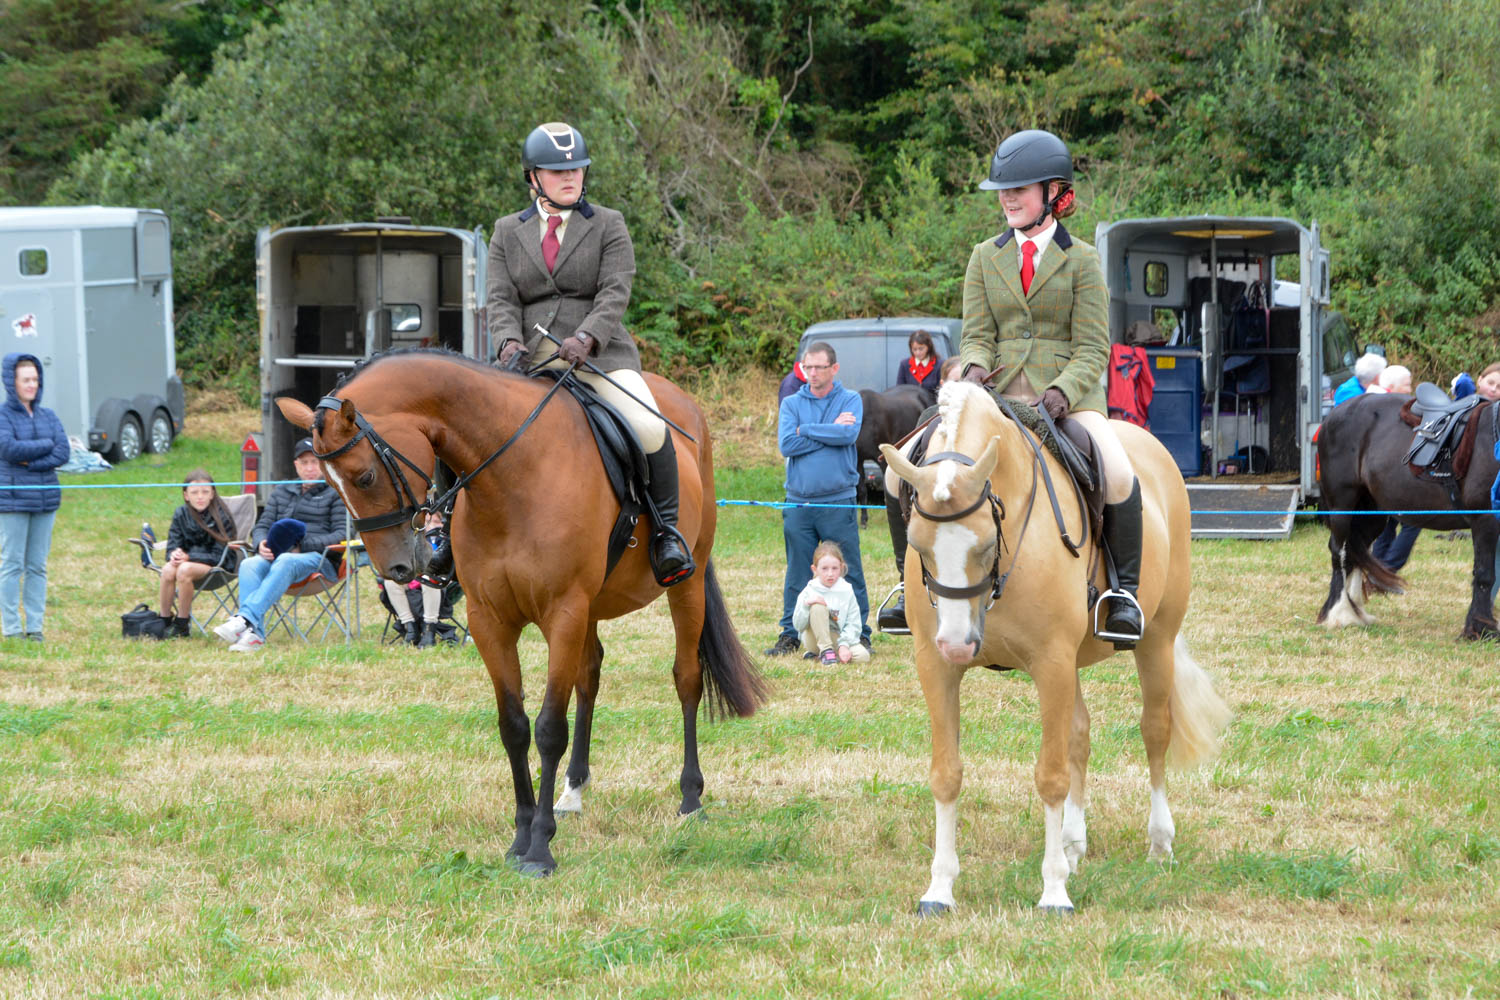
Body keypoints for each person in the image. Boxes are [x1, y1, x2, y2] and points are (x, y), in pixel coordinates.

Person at [483, 121, 692, 587]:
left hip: (598, 356)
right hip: (528, 359)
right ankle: (447, 535)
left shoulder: (608, 224)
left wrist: (587, 337)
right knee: (467, 419)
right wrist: (508, 342)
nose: (570, 177)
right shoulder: (506, 231)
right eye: (558, 171)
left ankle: (667, 533)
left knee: (648, 424)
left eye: (576, 169)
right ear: (533, 177)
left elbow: (616, 290)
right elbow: (500, 298)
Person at [958, 128, 1143, 646]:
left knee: (1119, 472)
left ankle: (1123, 595)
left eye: (1019, 189)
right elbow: (976, 336)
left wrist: (1062, 392)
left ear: (1053, 191)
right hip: (997, 398)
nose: (1007, 198)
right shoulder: (983, 257)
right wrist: (973, 370)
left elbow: (1093, 346)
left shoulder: (1081, 259)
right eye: (1003, 189)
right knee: (908, 464)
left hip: (1068, 400)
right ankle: (909, 587)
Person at [765, 341, 870, 656]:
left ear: (834, 368)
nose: (811, 373)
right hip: (798, 502)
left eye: (819, 367)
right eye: (807, 367)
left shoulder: (850, 399)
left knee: (848, 569)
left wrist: (806, 430)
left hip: (838, 501)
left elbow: (847, 435)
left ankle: (859, 634)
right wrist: (827, 430)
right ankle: (790, 635)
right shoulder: (792, 403)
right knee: (797, 571)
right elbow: (787, 445)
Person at [214, 437, 346, 652]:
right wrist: (260, 543)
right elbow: (262, 525)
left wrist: (302, 547)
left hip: (321, 561)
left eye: (314, 462)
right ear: (296, 465)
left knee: (286, 559)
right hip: (277, 558)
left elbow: (342, 534)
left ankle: (244, 618)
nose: (310, 468)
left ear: (323, 464)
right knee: (249, 564)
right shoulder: (282, 491)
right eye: (304, 463)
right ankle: (254, 635)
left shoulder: (335, 492)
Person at [877, 355, 966, 632]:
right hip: (943, 424)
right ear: (941, 385)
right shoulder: (932, 414)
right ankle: (907, 584)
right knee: (893, 475)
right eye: (953, 382)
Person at [0, 353, 69, 643]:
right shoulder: (3, 416)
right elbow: (8, 449)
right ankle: (12, 628)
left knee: (37, 566)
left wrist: (31, 462)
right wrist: (45, 446)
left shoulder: (48, 416)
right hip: (13, 501)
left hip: (45, 500)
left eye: (35, 380)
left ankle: (35, 628)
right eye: (26, 380)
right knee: (12, 564)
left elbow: (63, 452)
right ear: (12, 382)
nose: (32, 385)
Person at [157, 470, 239, 638]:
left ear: (212, 494)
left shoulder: (221, 515)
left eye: (205, 492)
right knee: (167, 569)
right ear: (186, 495)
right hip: (187, 562)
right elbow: (173, 544)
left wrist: (189, 557)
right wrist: (174, 554)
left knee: (184, 569)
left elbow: (219, 555)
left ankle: (182, 623)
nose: (200, 496)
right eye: (194, 492)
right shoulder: (181, 513)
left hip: (218, 565)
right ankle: (164, 620)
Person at [793, 541, 869, 665]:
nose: (830, 574)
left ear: (841, 567)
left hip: (836, 637)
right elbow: (799, 626)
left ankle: (822, 656)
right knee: (818, 606)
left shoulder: (847, 590)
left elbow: (853, 622)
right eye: (824, 569)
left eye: (835, 568)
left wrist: (844, 645)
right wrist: (806, 605)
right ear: (815, 569)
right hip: (814, 639)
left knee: (862, 656)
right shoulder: (809, 590)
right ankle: (825, 651)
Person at [382, 511, 449, 647]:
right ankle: (410, 628)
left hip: (439, 580)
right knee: (391, 582)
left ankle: (429, 630)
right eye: (427, 522)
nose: (431, 526)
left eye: (435, 522)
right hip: (414, 578)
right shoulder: (412, 539)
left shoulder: (445, 541)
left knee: (429, 579)